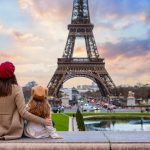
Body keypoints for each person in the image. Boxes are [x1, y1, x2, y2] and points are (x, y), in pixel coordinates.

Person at [0, 61, 51, 140]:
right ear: (12, 74)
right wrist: (43, 121)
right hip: (12, 129)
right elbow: (23, 113)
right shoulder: (16, 89)